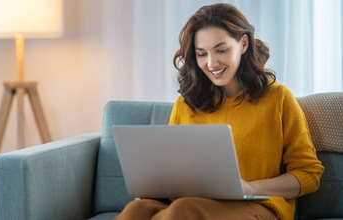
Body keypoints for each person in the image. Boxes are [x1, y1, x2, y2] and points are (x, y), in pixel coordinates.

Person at [114, 3, 324, 220]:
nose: (211, 63)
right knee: (136, 211)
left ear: (243, 43)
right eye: (201, 54)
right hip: (192, 204)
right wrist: (154, 186)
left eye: (221, 50)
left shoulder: (278, 98)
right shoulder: (185, 104)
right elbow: (173, 173)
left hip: (258, 208)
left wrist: (250, 188)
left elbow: (308, 173)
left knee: (183, 210)